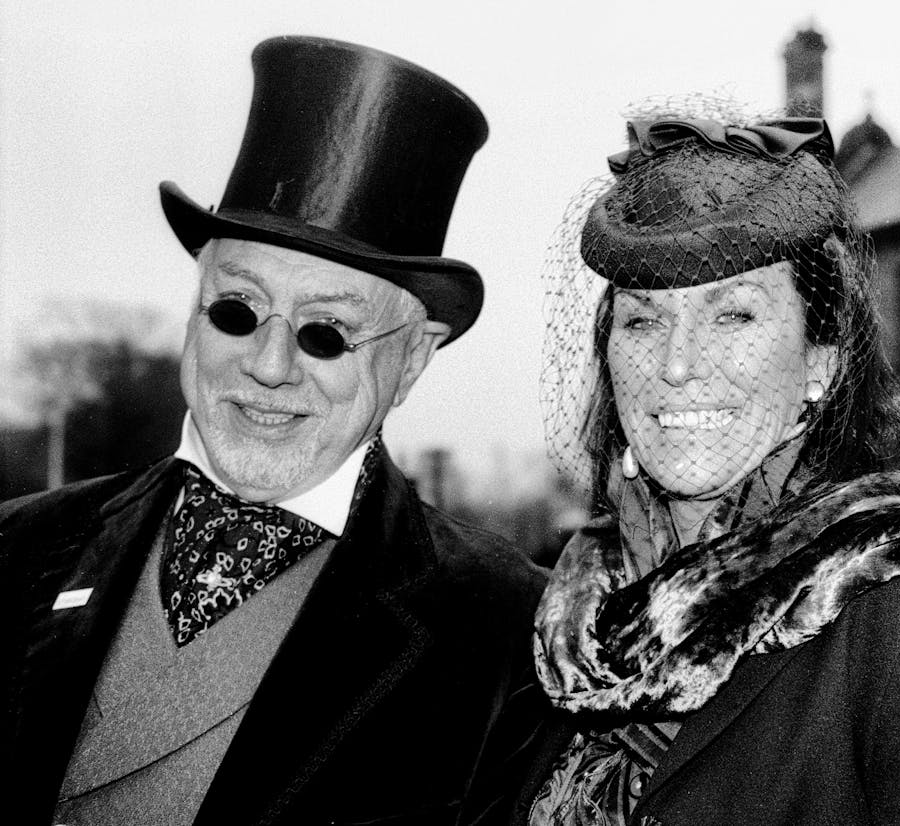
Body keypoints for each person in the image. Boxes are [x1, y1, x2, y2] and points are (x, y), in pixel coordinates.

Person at [0, 36, 546, 826]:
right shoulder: (18, 549)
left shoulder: (506, 631)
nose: (267, 365)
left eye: (326, 333)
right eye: (237, 310)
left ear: (411, 360)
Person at [515, 108, 900, 825]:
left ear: (821, 362)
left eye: (734, 315)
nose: (677, 365)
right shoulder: (571, 618)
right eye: (643, 320)